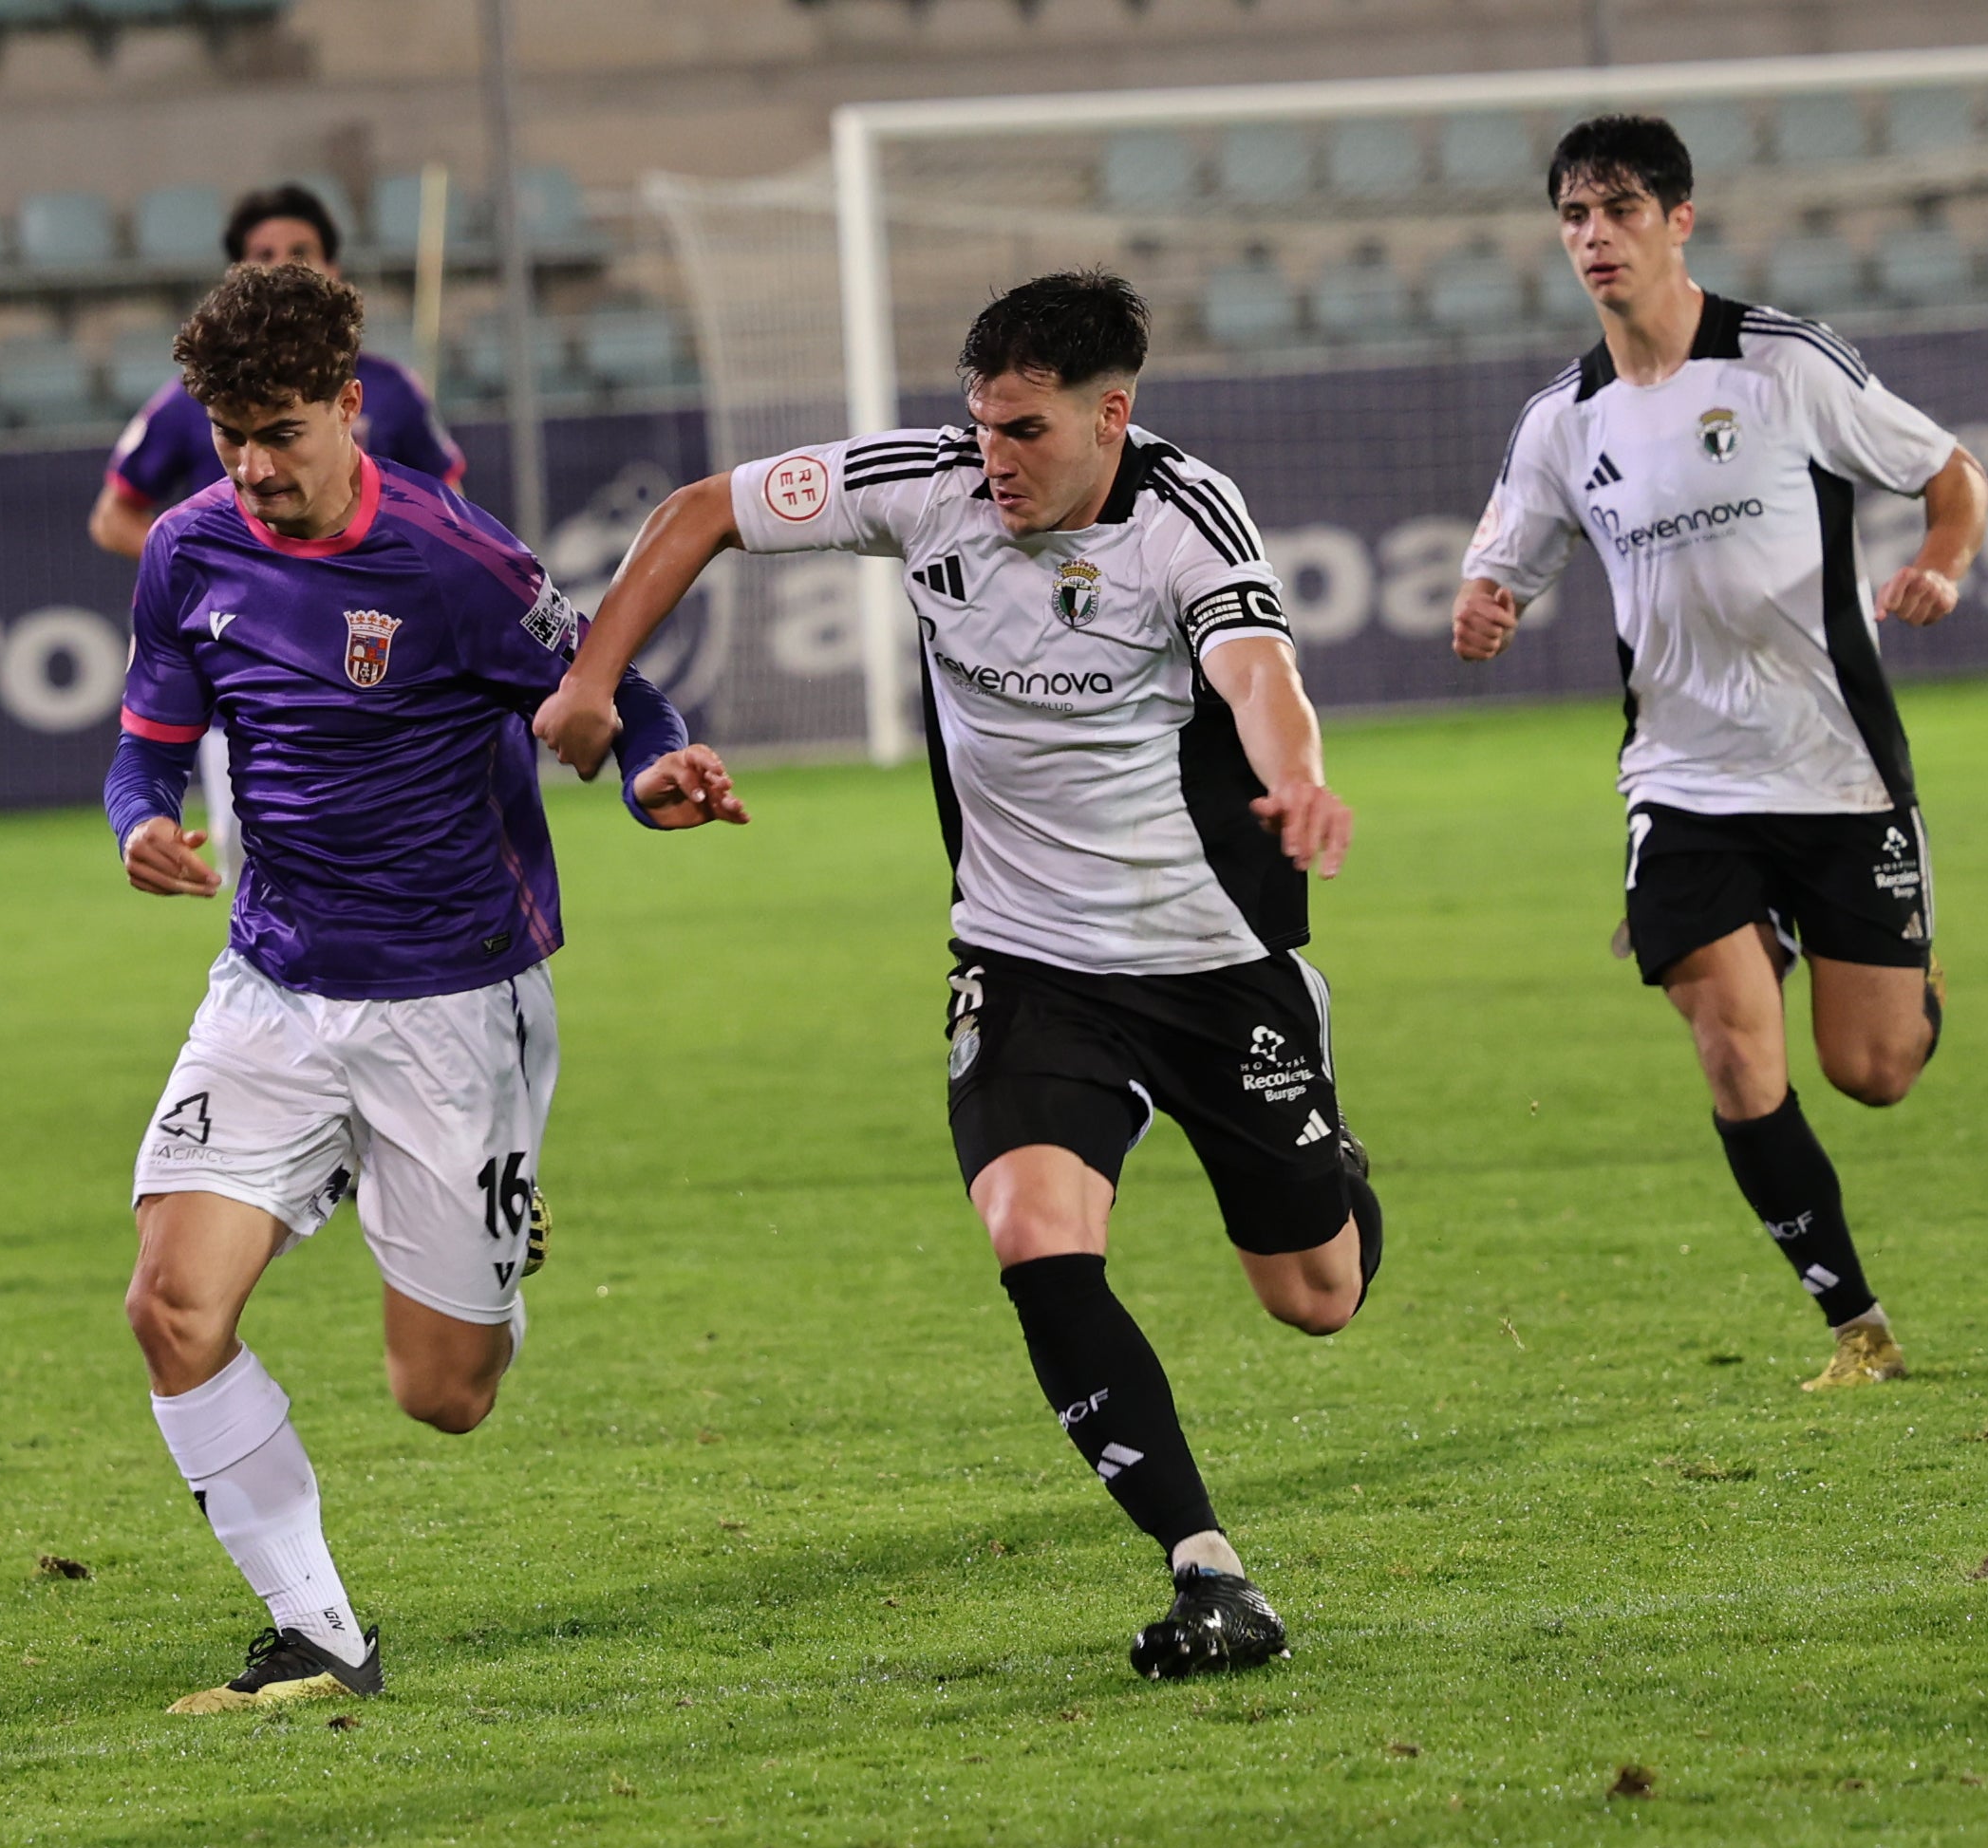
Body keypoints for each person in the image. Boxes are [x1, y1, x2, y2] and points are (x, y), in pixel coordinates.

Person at [535, 270, 1379, 1683]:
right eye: (982, 423)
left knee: (1313, 1294)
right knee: (1031, 1235)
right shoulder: (921, 486)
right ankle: (1205, 1569)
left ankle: (1328, 1149)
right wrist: (595, 686)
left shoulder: (1185, 521)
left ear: (1110, 418)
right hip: (1025, 954)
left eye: (1028, 431)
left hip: (1206, 961)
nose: (996, 458)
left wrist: (1297, 782)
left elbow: (1256, 675)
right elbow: (697, 513)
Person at [108, 262, 745, 1709]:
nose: (254, 470)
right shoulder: (191, 550)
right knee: (168, 1307)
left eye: (280, 431)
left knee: (441, 1394)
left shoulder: (453, 562)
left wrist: (657, 775)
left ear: (349, 407)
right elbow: (145, 734)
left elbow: (610, 691)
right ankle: (319, 1628)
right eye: (229, 439)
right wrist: (139, 818)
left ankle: (490, 1259)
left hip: (455, 1006)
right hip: (269, 986)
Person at [1451, 113, 1988, 1392]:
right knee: (1734, 1048)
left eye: (1619, 210)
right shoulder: (1559, 420)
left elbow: (1948, 470)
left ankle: (1904, 987)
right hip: (1681, 783)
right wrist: (1483, 603)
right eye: (1574, 217)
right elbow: (1500, 558)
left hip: (1831, 765)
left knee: (1869, 1072)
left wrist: (1940, 563)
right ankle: (1854, 1324)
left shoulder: (1778, 364)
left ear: (1677, 221)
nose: (1594, 238)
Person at [92, 182, 468, 876]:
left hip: (385, 661)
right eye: (262, 255)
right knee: (259, 861)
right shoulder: (188, 400)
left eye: (301, 252)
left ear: (334, 268)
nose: (281, 266)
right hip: (244, 667)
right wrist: (223, 574)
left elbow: (453, 511)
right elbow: (113, 514)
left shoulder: (390, 389)